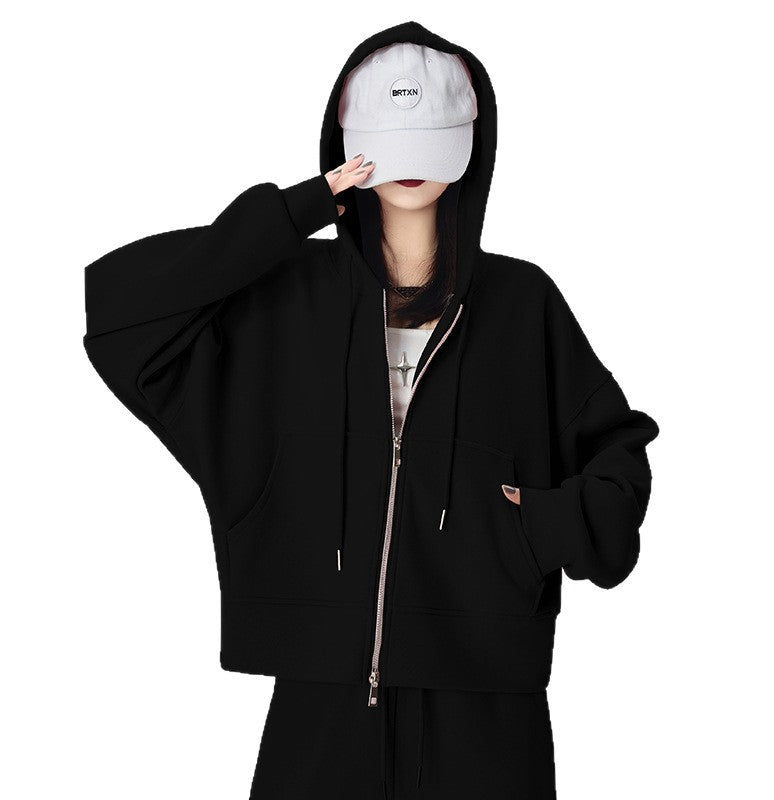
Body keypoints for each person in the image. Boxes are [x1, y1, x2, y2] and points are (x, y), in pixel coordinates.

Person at [82, 21, 660, 800]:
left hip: (488, 707)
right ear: (347, 147)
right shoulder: (286, 296)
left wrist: (531, 528)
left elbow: (619, 459)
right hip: (319, 704)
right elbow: (121, 311)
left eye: (431, 144)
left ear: (471, 147)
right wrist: (297, 211)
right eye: (388, 146)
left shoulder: (523, 304)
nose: (410, 169)